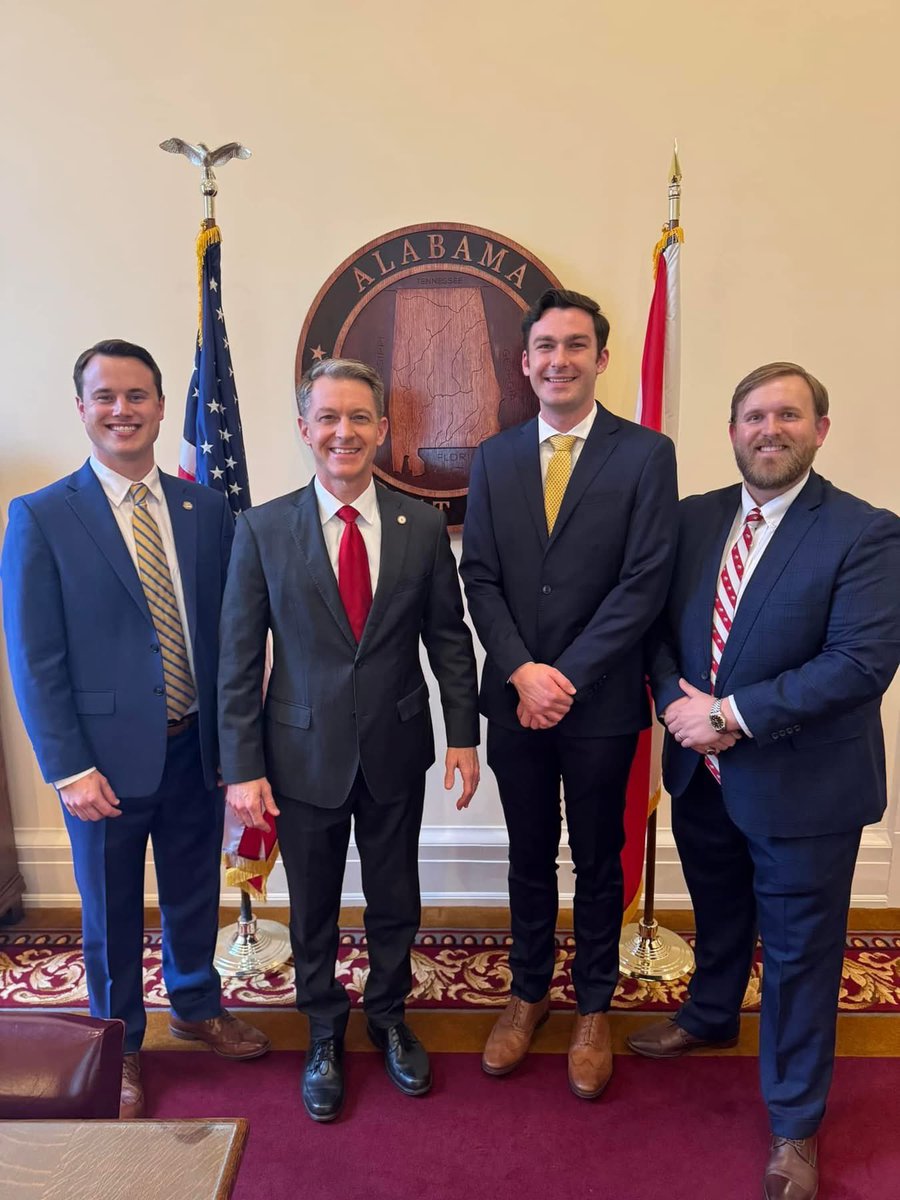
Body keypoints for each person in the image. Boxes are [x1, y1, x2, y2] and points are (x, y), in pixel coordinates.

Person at [628, 362, 900, 1200]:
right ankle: (709, 1017)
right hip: (703, 774)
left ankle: (794, 1124)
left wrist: (731, 714)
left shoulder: (866, 532)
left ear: (820, 428)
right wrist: (678, 704)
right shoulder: (695, 518)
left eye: (787, 415)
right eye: (753, 416)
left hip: (804, 788)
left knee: (798, 955)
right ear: (733, 429)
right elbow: (659, 630)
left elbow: (858, 662)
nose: (768, 430)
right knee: (718, 910)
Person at [1, 339, 270, 1120]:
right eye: (106, 397)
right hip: (104, 767)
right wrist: (68, 768)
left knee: (194, 891)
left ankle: (195, 1001)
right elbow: (35, 657)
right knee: (111, 914)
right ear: (81, 408)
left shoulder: (205, 509)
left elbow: (229, 637)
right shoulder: (44, 516)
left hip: (195, 748)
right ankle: (118, 1045)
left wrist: (235, 745)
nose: (123, 410)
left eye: (138, 396)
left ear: (161, 405)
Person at [218, 357, 480, 1123]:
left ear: (383, 430)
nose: (344, 431)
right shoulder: (262, 530)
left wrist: (463, 735)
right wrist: (241, 766)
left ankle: (390, 1016)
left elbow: (449, 639)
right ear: (305, 430)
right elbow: (239, 657)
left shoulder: (421, 525)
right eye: (328, 417)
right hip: (298, 758)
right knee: (314, 910)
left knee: (397, 897)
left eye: (359, 418)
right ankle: (325, 1032)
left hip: (397, 747)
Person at [460, 287, 678, 1098]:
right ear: (525, 362)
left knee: (598, 858)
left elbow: (644, 581)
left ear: (601, 358)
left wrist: (569, 677)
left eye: (576, 345)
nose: (559, 359)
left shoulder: (646, 453)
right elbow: (479, 577)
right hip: (515, 700)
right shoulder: (494, 455)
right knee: (526, 855)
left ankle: (592, 1006)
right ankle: (527, 995)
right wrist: (522, 671)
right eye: (545, 346)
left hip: (603, 702)